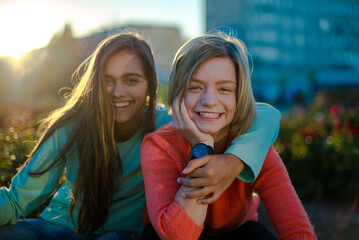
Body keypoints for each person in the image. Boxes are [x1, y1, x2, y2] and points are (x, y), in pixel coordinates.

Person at [0, 32, 280, 240]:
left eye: (131, 80)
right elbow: (17, 200)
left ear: (150, 85)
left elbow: (266, 116)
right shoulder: (71, 127)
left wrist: (232, 162)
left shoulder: (165, 125)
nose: (117, 91)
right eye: (107, 81)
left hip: (122, 236)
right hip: (58, 231)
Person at [141, 33, 317, 240]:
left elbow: (297, 230)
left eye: (224, 89)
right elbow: (178, 236)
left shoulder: (254, 144)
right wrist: (201, 148)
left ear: (238, 95)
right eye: (195, 87)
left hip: (237, 231)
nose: (209, 100)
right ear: (178, 93)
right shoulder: (159, 146)